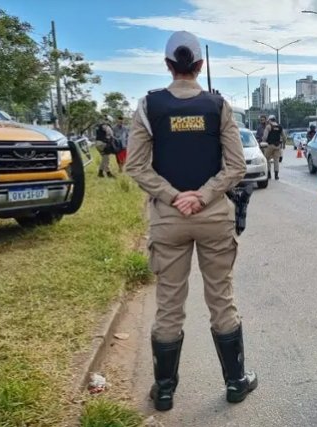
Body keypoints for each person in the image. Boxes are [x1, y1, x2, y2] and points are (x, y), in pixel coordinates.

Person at [125, 30, 257, 412]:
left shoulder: (149, 106)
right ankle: (235, 383)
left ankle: (164, 391)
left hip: (169, 220)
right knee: (222, 300)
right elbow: (235, 166)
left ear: (168, 65)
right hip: (214, 216)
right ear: (199, 66)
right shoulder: (219, 106)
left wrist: (172, 196)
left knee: (169, 305)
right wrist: (203, 195)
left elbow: (135, 165)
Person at [262, 115, 285, 180]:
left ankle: (269, 174)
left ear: (270, 120)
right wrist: (284, 144)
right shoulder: (280, 127)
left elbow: (265, 137)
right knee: (276, 160)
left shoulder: (268, 126)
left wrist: (263, 143)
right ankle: (276, 175)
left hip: (269, 146)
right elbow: (284, 137)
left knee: (267, 159)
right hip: (277, 146)